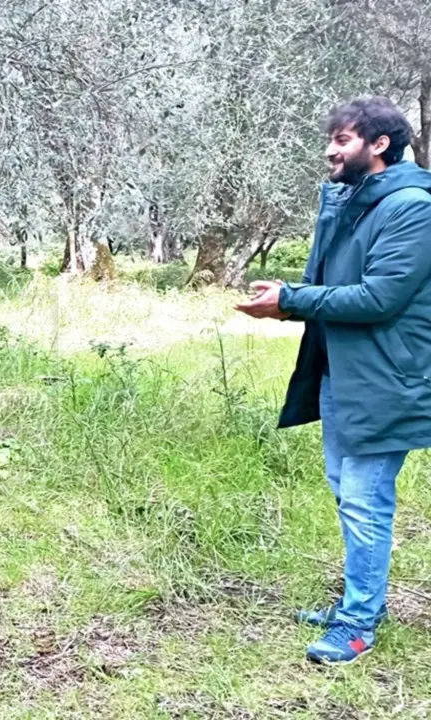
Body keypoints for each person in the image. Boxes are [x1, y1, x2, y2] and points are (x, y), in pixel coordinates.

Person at [237, 96, 431, 664]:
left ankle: (357, 624)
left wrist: (291, 301)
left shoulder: (412, 207)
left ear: (380, 145)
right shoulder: (354, 203)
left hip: (386, 380)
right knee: (348, 494)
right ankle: (363, 600)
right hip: (343, 373)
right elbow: (330, 281)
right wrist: (289, 292)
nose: (330, 149)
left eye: (343, 140)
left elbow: (381, 296)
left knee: (365, 502)